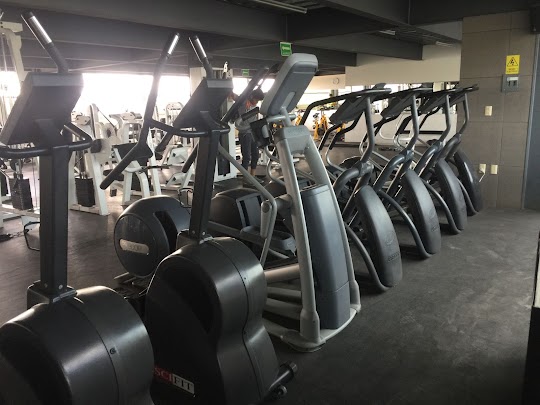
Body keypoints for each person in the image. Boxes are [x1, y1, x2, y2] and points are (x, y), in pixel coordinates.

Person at [235, 88, 265, 177]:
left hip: (253, 133)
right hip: (245, 134)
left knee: (255, 155)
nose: (256, 102)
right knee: (246, 156)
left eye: (258, 101)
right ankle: (245, 177)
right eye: (256, 100)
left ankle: (253, 176)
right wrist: (246, 98)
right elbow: (233, 95)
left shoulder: (255, 107)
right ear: (251, 96)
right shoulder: (244, 103)